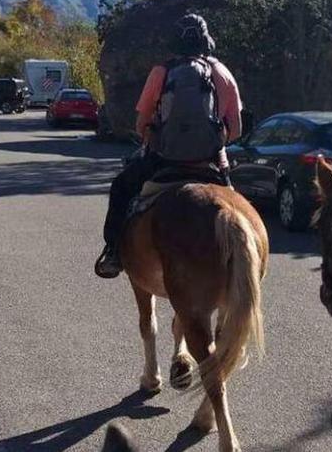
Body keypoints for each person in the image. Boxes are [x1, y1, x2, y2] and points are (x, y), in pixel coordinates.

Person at [94, 14, 243, 279]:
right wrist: (212, 142)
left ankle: (113, 253)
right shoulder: (222, 73)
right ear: (206, 41)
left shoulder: (161, 72)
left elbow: (141, 125)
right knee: (240, 211)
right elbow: (237, 131)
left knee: (121, 188)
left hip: (164, 160)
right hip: (211, 161)